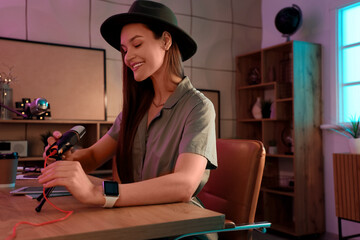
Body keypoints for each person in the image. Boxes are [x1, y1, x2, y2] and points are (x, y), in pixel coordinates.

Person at [38, 1, 217, 238]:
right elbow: (92, 157)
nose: (128, 57)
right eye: (124, 50)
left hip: (181, 229)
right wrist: (66, 159)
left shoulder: (198, 107)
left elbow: (184, 185)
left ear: (165, 41)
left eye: (137, 44)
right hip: (135, 220)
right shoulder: (134, 110)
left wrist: (101, 193)